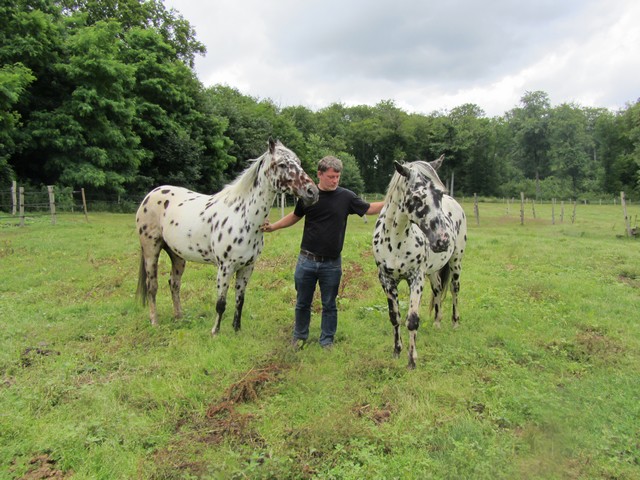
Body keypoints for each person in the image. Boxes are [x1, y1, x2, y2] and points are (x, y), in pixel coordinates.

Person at [261, 156, 384, 349]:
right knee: (302, 303)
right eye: (331, 177)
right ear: (319, 174)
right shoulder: (309, 195)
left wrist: (391, 200)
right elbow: (295, 216)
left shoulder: (346, 197)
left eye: (337, 177)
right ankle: (299, 337)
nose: (335, 181)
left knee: (329, 304)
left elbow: (369, 209)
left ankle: (327, 341)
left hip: (332, 263)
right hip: (306, 260)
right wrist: (273, 227)